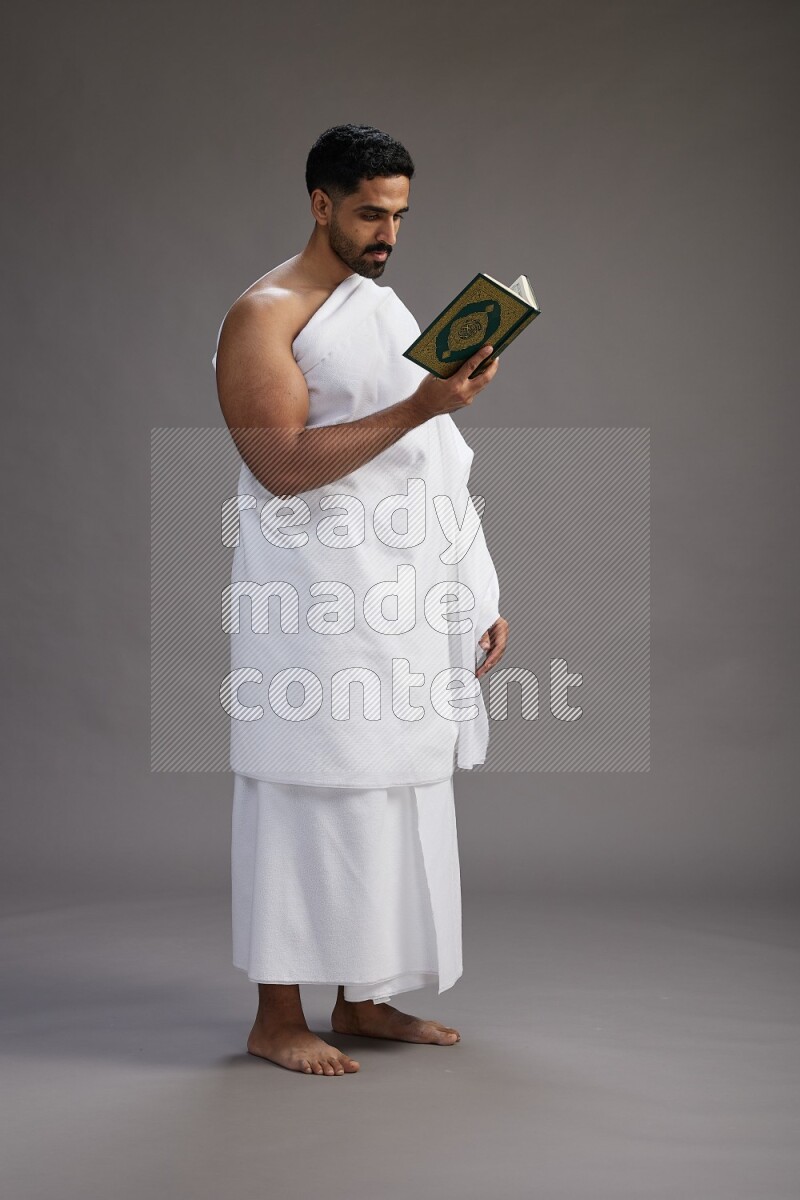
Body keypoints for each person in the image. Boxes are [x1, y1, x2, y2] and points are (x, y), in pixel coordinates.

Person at [213, 124, 508, 1076]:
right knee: (308, 792)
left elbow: (433, 466)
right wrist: (422, 404)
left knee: (393, 796)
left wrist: (477, 589)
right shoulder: (265, 314)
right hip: (316, 607)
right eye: (371, 214)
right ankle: (275, 1016)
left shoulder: (378, 308)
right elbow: (282, 466)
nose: (388, 234)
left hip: (407, 600)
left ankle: (366, 998)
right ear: (320, 204)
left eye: (400, 216)